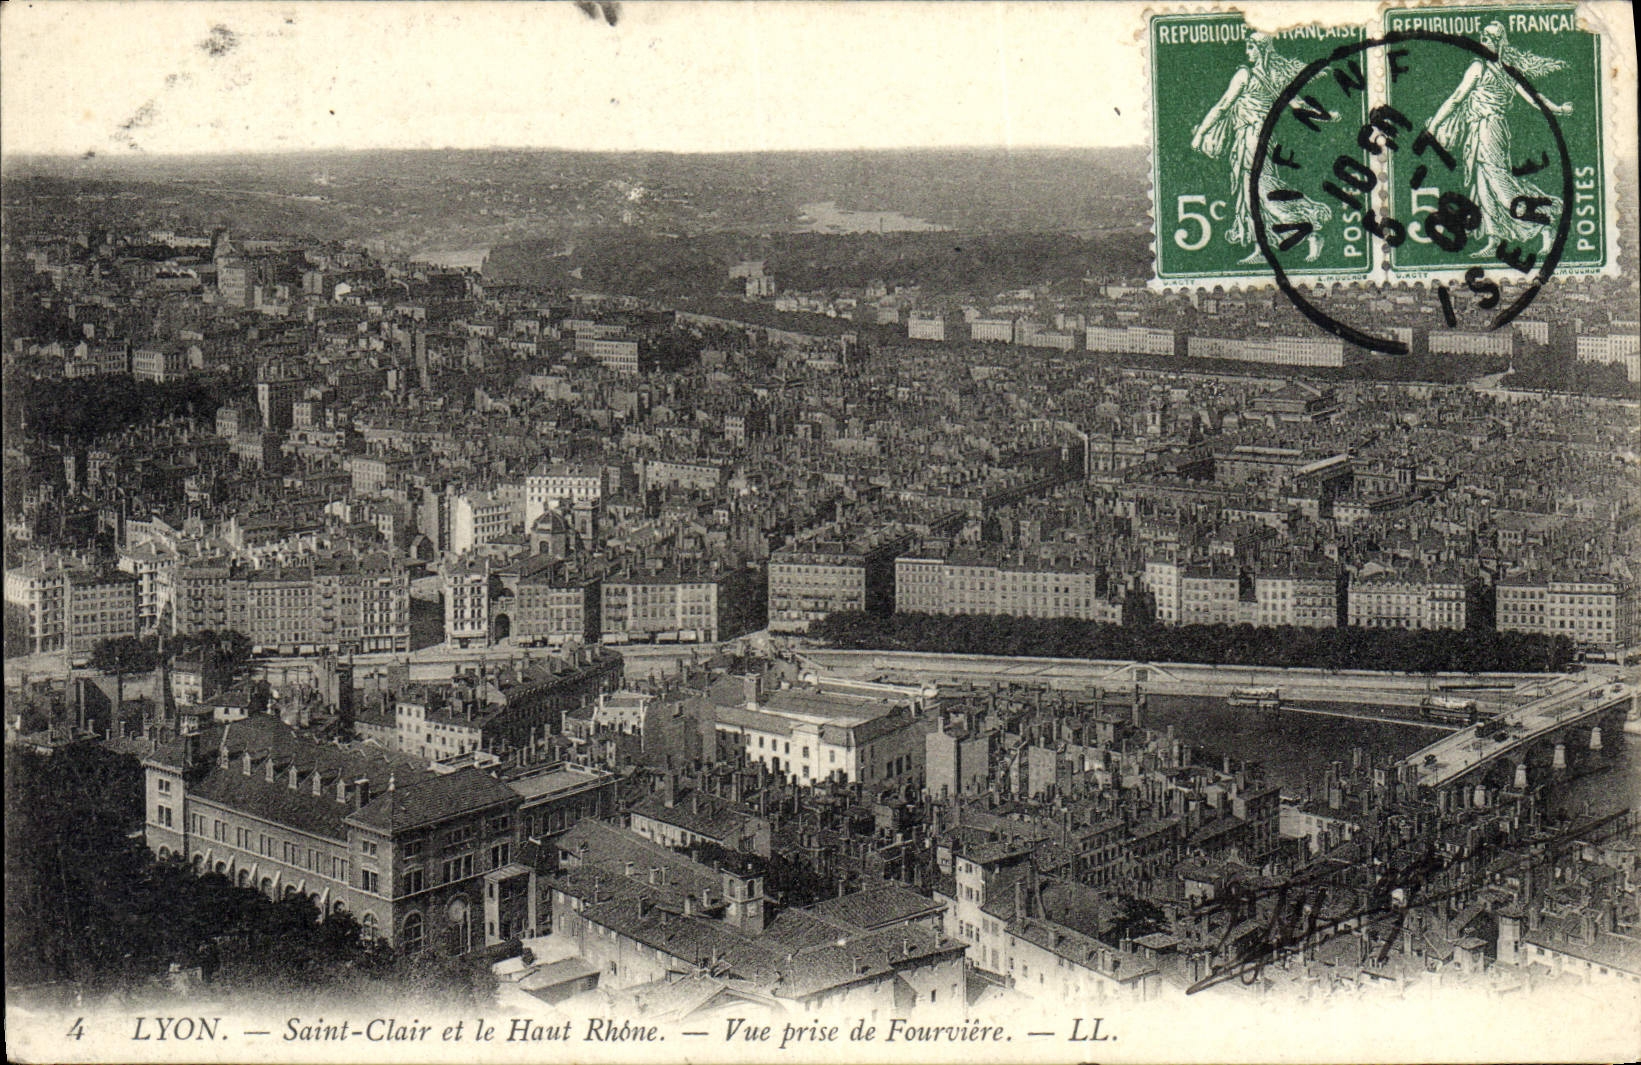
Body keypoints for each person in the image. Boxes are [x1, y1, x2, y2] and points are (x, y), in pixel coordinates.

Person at [1427, 21, 1573, 256]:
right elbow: (1457, 98)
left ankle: (1544, 221)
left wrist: (1433, 126)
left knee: (1501, 186)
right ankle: (1494, 239)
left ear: (1499, 43)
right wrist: (1558, 109)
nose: (1485, 42)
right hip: (1481, 131)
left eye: (1491, 39)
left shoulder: (1490, 69)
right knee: (1484, 186)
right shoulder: (1491, 68)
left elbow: (1533, 98)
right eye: (1483, 38)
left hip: (1490, 130)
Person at [1192, 32, 1334, 263]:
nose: (1247, 53)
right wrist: (1326, 116)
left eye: (1250, 48)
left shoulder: (1244, 75)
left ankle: (1310, 233)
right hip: (1259, 138)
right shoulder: (1273, 77)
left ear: (1261, 50)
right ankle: (1261, 248)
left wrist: (1200, 133)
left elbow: (1222, 106)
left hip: (1251, 138)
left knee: (1262, 192)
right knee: (1252, 195)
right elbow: (1296, 104)